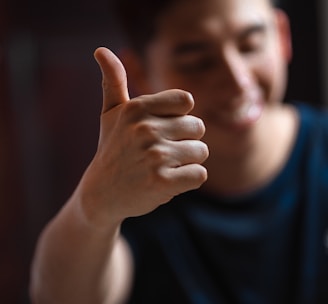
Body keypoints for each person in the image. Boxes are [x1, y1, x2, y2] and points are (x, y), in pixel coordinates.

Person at [29, 0, 328, 303]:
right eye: (199, 62)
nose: (238, 81)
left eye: (250, 44)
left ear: (282, 35)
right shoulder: (132, 185)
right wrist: (93, 210)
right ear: (139, 71)